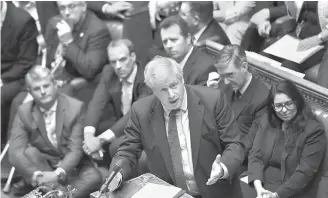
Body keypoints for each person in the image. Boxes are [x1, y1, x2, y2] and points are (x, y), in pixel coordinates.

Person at [107, 57, 245, 198]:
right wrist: (117, 175)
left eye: (174, 85)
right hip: (171, 193)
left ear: (182, 80)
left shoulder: (212, 100)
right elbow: (127, 152)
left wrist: (223, 168)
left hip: (216, 192)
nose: (171, 95)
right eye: (163, 90)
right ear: (153, 90)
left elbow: (235, 144)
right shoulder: (141, 111)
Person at [8, 66, 102, 197]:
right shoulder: (24, 111)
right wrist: (36, 175)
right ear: (29, 91)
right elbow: (14, 152)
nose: (42, 92)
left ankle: (56, 193)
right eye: (36, 88)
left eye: (46, 86)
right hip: (44, 166)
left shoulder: (75, 107)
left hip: (72, 167)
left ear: (55, 85)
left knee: (94, 177)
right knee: (29, 153)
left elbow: (75, 150)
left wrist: (58, 173)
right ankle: (60, 192)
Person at [241, 80, 327, 198]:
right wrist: (258, 187)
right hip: (259, 182)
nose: (285, 110)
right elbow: (256, 155)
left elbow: (304, 173)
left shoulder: (314, 131)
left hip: (288, 191)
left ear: (297, 101)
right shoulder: (268, 120)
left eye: (288, 103)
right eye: (279, 106)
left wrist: (276, 195)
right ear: (272, 106)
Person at [83, 39, 151, 161]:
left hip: (144, 128)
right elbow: (96, 104)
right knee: (89, 132)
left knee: (115, 146)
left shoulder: (146, 77)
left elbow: (134, 114)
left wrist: (100, 140)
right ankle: (104, 174)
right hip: (122, 123)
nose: (118, 66)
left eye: (122, 60)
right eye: (113, 62)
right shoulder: (109, 72)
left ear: (133, 57)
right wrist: (89, 137)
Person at [209, 45, 270, 172]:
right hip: (216, 151)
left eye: (230, 75)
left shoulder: (263, 98)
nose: (225, 82)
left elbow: (250, 145)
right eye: (222, 76)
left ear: (244, 66)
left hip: (239, 163)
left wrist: (224, 165)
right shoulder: (224, 84)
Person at [159, 15, 216, 85]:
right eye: (165, 42)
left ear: (188, 38)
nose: (168, 46)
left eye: (173, 40)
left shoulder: (205, 69)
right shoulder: (164, 62)